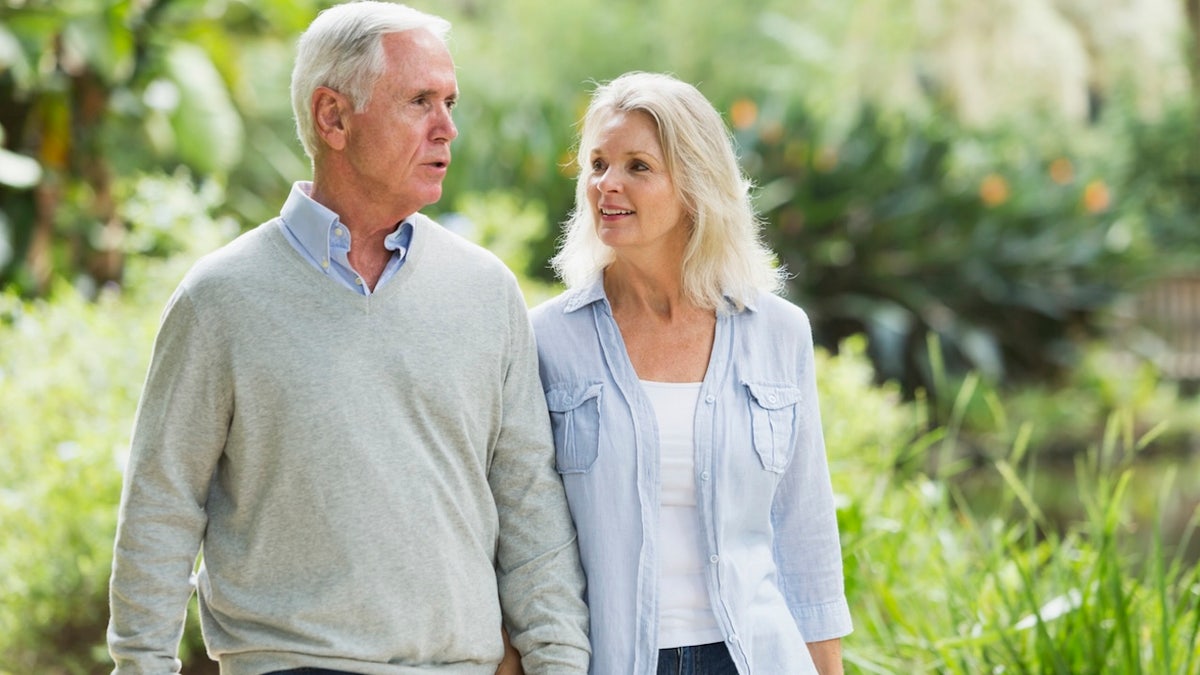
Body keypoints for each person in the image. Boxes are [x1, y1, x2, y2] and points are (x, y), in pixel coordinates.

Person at [106, 2, 589, 673]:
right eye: (419, 101)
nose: (447, 128)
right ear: (333, 117)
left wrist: (560, 664)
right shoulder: (219, 299)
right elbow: (161, 508)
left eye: (450, 101)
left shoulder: (487, 292)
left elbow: (531, 508)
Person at [529, 71, 852, 675]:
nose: (607, 185)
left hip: (758, 658)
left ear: (696, 184)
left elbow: (806, 537)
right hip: (614, 660)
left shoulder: (778, 333)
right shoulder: (546, 340)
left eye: (637, 166)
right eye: (597, 164)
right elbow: (523, 541)